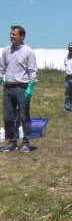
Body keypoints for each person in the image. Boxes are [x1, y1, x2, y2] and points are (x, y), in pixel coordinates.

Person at [0, 25, 38, 153]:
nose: (11, 36)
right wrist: (1, 77)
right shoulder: (6, 50)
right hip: (8, 87)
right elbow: (2, 67)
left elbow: (33, 71)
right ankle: (12, 142)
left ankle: (26, 142)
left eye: (14, 34)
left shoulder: (28, 52)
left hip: (22, 88)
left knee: (23, 116)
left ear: (21, 36)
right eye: (10, 34)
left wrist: (30, 88)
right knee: (8, 116)